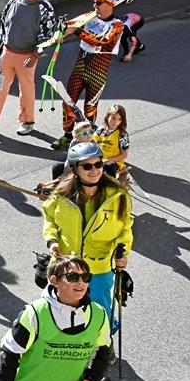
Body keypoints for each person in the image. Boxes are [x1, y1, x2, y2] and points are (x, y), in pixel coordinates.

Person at [42, 141, 133, 329]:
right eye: (87, 166)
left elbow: (125, 228)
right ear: (75, 169)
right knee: (61, 311)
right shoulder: (62, 193)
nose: (95, 170)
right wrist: (51, 241)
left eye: (98, 164)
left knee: (99, 312)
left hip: (100, 267)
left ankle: (103, 342)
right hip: (67, 264)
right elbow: (49, 217)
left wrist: (123, 254)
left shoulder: (117, 195)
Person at [0, 0, 57, 138]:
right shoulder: (14, 1)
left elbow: (48, 35)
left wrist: (36, 55)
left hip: (27, 57)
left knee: (26, 90)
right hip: (7, 54)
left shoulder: (45, 8)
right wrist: (0, 43)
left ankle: (27, 122)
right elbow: (4, 22)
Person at [51, 0, 125, 149]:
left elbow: (99, 40)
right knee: (67, 102)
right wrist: (60, 32)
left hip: (98, 72)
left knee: (89, 108)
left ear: (110, 5)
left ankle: (87, 138)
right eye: (94, 2)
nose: (95, 5)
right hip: (80, 68)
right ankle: (67, 135)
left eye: (99, 3)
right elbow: (69, 25)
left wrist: (76, 31)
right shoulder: (89, 16)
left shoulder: (117, 25)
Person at [93, 103, 130, 172]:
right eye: (113, 118)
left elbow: (124, 155)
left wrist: (107, 160)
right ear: (107, 117)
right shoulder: (100, 130)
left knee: (108, 167)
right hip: (98, 160)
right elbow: (93, 145)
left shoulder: (122, 135)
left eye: (119, 119)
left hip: (113, 162)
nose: (115, 121)